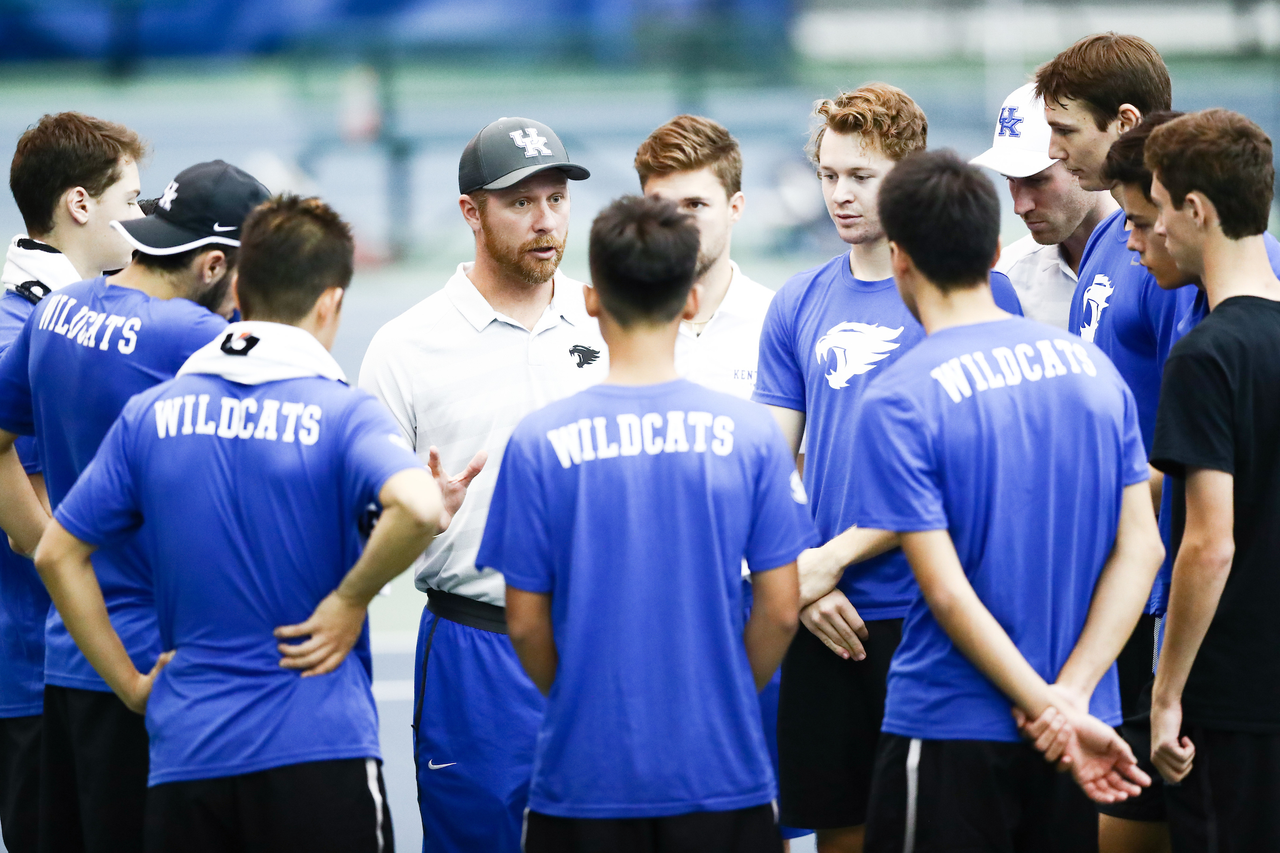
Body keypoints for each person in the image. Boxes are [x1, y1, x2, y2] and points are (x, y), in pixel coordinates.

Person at [31, 194, 447, 853]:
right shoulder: (341, 413)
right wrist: (349, 600)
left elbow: (56, 554)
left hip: (187, 753)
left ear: (237, 289)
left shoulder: (152, 414)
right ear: (331, 302)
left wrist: (133, 685)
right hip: (319, 747)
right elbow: (420, 508)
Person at [478, 194, 816, 853]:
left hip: (582, 780)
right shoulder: (749, 436)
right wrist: (721, 695)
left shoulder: (541, 439)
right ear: (689, 300)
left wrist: (579, 697)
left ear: (592, 299)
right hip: (721, 777)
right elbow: (780, 609)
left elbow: (523, 620)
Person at [854, 149, 1160, 852]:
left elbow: (945, 589)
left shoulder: (900, 395)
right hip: (1082, 725)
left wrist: (1039, 702)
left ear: (899, 256)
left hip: (951, 721)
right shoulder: (1091, 371)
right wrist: (1070, 695)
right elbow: (1142, 546)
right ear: (994, 251)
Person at [752, 82, 1023, 853]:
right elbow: (770, 467)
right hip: (826, 617)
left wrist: (826, 561)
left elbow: (962, 471)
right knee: (841, 830)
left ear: (906, 177)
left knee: (944, 829)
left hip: (933, 617)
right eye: (829, 175)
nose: (839, 195)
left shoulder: (975, 291)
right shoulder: (798, 300)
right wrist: (803, 578)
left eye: (860, 177)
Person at [0, 159, 267, 853]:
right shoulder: (194, 340)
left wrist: (44, 547)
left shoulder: (58, 308)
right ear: (212, 265)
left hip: (68, 658)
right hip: (161, 676)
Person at [358, 116, 606, 852]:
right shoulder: (405, 347)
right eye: (521, 203)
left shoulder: (611, 317)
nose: (546, 222)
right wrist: (420, 519)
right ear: (471, 212)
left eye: (557, 199)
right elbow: (361, 528)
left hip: (602, 641)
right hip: (477, 647)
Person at [635, 114, 810, 847]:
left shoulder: (785, 318)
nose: (678, 224)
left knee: (763, 822)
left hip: (759, 604)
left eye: (696, 205)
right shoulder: (606, 327)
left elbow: (810, 476)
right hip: (644, 614)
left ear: (736, 209)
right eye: (660, 207)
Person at [1035, 35, 1186, 852]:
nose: (1052, 151)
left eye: (1065, 131)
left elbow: (1203, 441)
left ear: (1123, 120)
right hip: (1104, 577)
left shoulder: (1176, 252)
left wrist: (1104, 494)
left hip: (1163, 584)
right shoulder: (1108, 235)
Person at [0, 111, 146, 853]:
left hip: (78, 659)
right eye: (133, 203)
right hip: (33, 671)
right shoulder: (16, 322)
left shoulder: (79, 310)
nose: (145, 223)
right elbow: (17, 488)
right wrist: (65, 554)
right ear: (80, 206)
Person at [1143, 109, 1280, 853]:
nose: (1156, 229)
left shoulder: (1206, 355)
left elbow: (1209, 543)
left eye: (1160, 207)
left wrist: (1167, 695)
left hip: (1232, 698)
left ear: (1196, 210)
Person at [971, 82, 1118, 329]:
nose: (1020, 206)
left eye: (1037, 181)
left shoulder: (1159, 261)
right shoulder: (1008, 275)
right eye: (1010, 180)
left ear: (1080, 156)